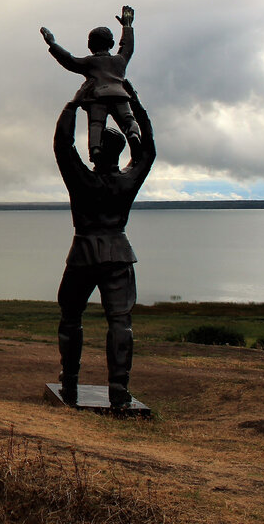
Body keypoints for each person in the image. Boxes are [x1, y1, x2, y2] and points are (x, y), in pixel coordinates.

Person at [53, 81, 155, 409]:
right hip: (118, 253)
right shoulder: (127, 182)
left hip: (83, 253)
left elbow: (62, 146)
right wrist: (133, 103)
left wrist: (74, 104)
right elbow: (148, 151)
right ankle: (119, 390)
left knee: (71, 315)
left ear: (95, 151)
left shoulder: (83, 179)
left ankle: (69, 380)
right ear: (120, 153)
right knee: (120, 322)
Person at [41, 6, 141, 161]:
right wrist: (127, 26)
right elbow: (128, 47)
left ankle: (95, 149)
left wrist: (52, 44)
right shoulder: (119, 61)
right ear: (112, 43)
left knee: (96, 124)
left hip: (98, 97)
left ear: (90, 45)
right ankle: (133, 134)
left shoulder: (89, 62)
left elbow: (69, 60)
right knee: (128, 119)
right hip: (120, 95)